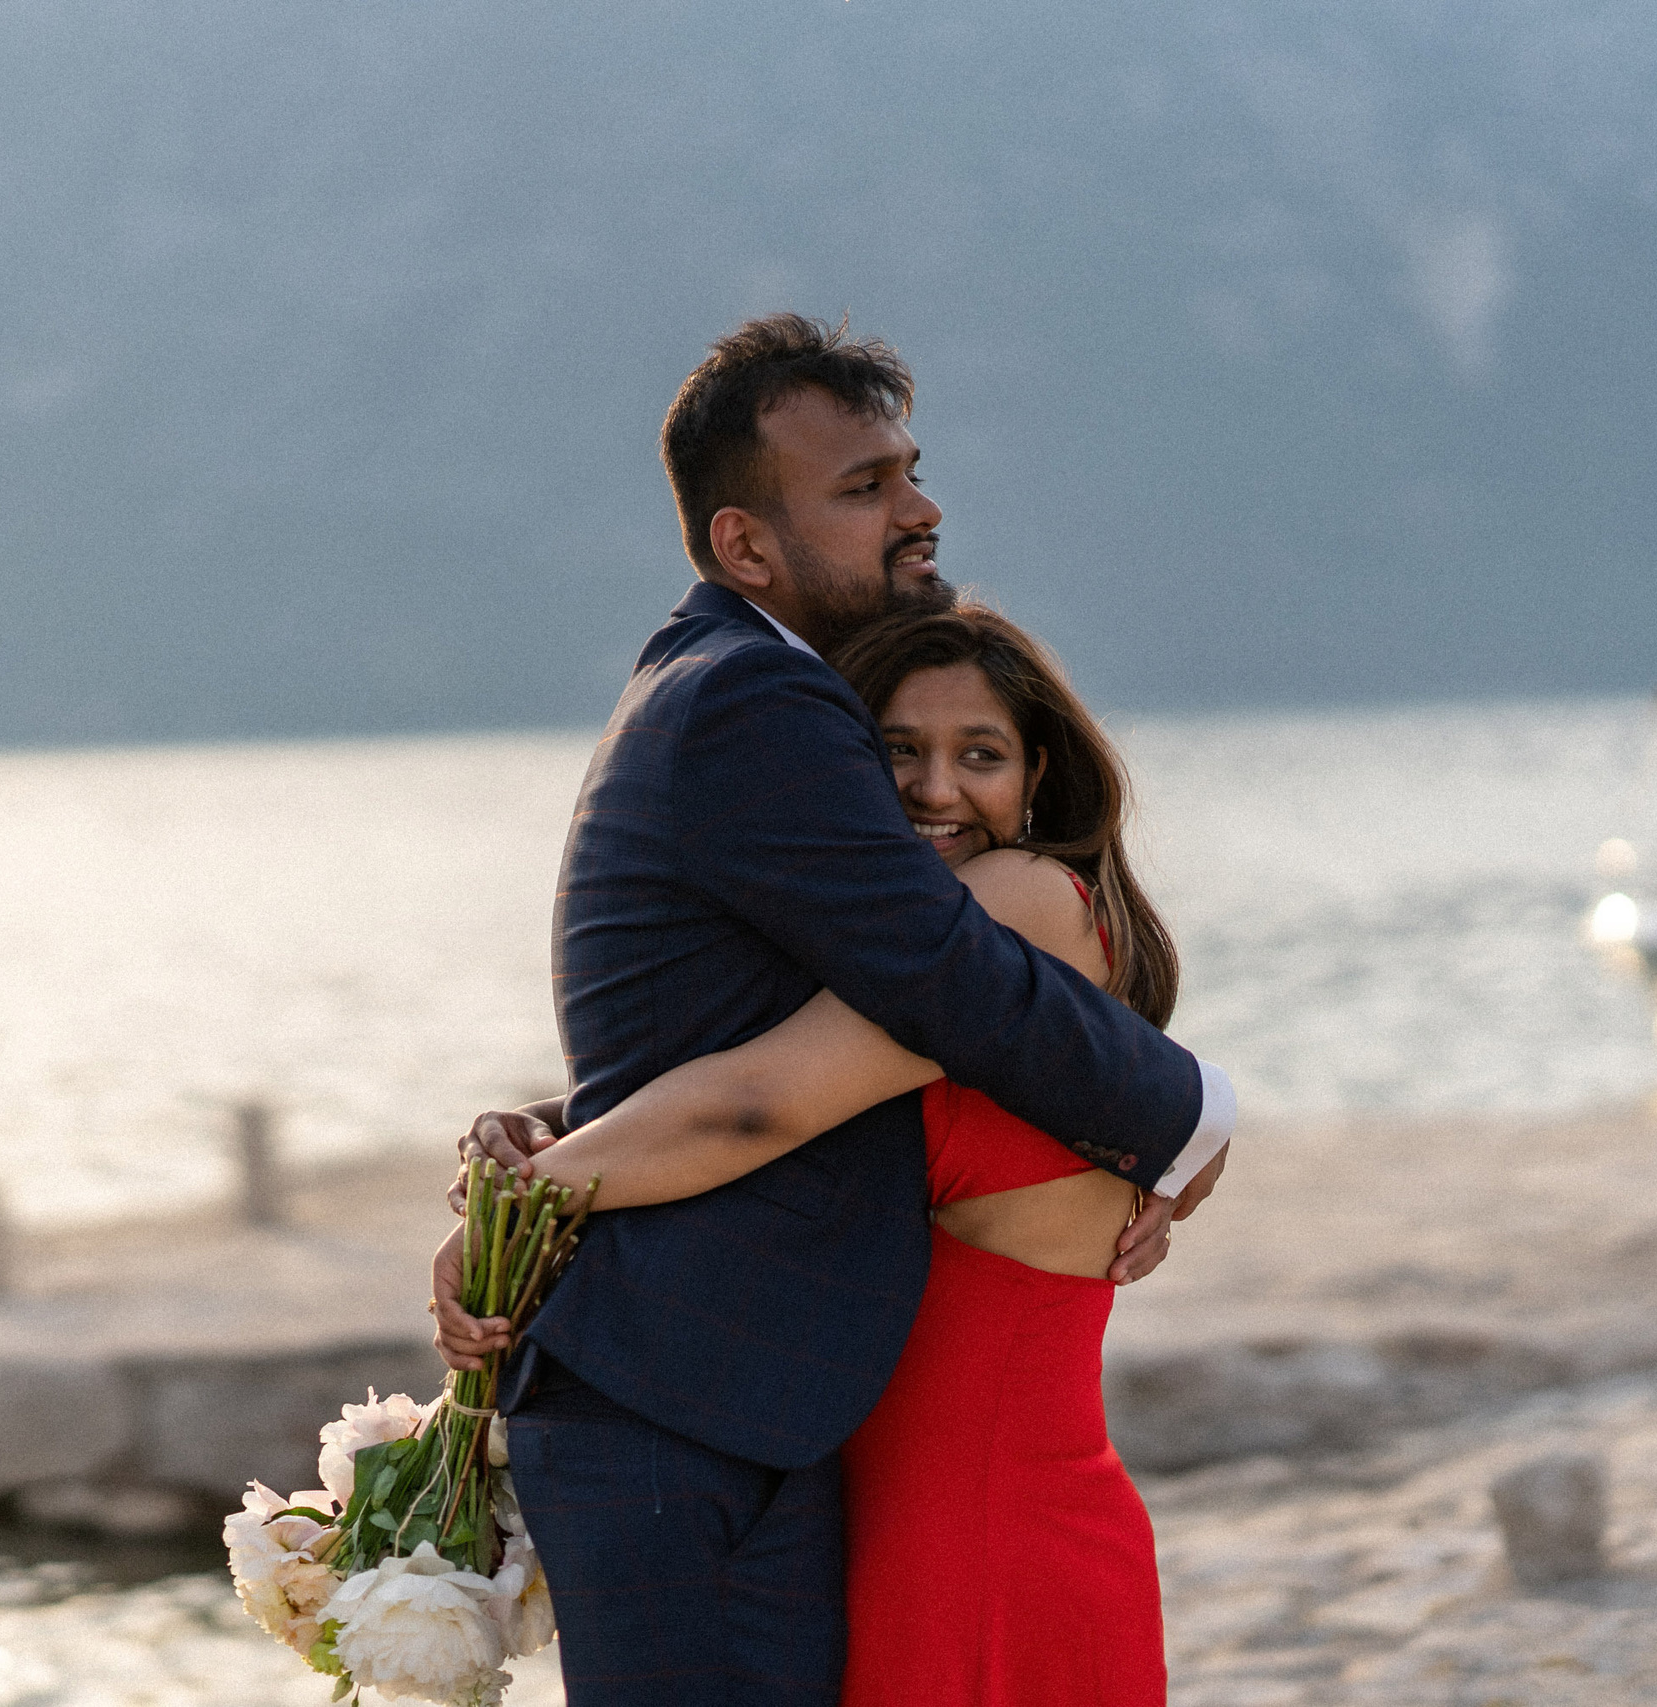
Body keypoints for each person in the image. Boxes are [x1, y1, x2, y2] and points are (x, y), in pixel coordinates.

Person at [441, 314, 1233, 1705]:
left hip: (763, 1415)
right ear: (747, 545)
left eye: (908, 473)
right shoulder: (755, 699)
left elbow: (772, 1033)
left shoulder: (723, 688)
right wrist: (1185, 1115)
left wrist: (548, 1155)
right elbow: (914, 991)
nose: (918, 511)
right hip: (689, 1404)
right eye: (863, 488)